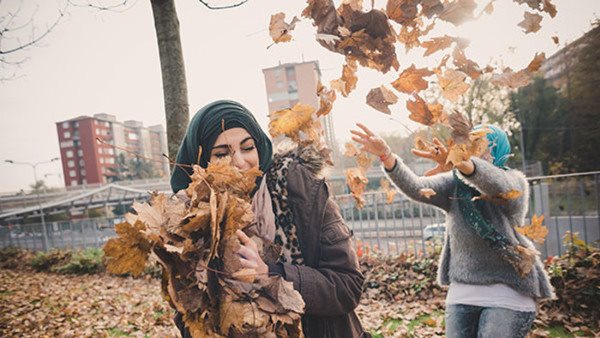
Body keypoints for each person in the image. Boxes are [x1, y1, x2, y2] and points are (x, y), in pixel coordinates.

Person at [170, 100, 369, 338]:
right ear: (201, 163)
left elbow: (347, 287)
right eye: (221, 154)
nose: (240, 162)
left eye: (247, 148)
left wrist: (271, 274)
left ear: (260, 148)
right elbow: (189, 318)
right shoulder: (192, 220)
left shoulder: (299, 189)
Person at [350, 123, 554, 338]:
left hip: (509, 294)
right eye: (470, 145)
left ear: (498, 150)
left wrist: (465, 165)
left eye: (483, 145)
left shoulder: (514, 181)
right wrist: (386, 155)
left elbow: (497, 185)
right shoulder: (454, 184)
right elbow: (417, 187)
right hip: (462, 294)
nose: (475, 151)